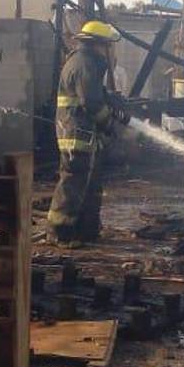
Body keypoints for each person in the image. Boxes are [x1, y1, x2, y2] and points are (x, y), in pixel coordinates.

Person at [47, 20, 130, 247]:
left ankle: (86, 231)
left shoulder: (87, 62)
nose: (110, 50)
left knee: (89, 183)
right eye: (108, 45)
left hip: (83, 132)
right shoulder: (85, 64)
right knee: (73, 180)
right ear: (97, 44)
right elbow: (91, 103)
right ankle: (60, 231)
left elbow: (96, 95)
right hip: (76, 131)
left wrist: (113, 102)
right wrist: (110, 126)